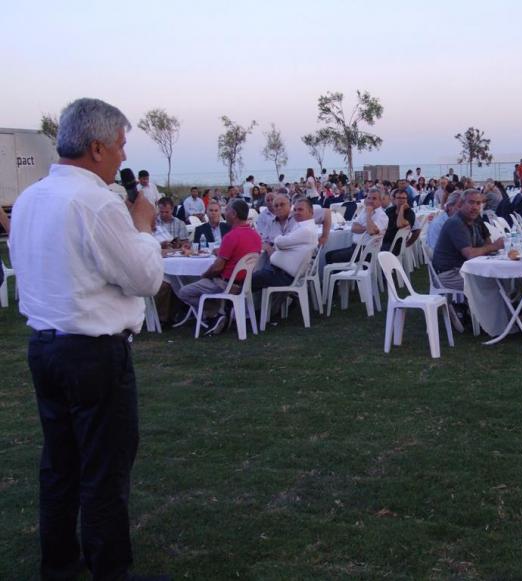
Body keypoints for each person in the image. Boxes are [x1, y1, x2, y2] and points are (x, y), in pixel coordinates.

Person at [10, 98, 168, 580]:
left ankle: (58, 565)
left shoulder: (31, 197)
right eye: (121, 146)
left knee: (59, 465)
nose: (124, 157)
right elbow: (145, 279)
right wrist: (143, 227)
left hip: (45, 347)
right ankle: (110, 571)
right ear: (97, 147)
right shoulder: (97, 202)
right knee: (104, 469)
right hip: (93, 355)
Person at [177, 199, 262, 335]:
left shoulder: (231, 236)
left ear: (233, 214)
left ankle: (215, 314)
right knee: (205, 284)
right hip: (244, 283)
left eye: (226, 210)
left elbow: (217, 268)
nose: (224, 213)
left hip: (225, 284)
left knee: (184, 292)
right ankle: (219, 313)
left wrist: (205, 275)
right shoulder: (255, 236)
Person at [431, 189, 504, 291]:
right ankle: (494, 306)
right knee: (490, 282)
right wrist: (495, 246)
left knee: (499, 277)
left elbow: (484, 246)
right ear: (461, 204)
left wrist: (491, 248)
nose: (475, 207)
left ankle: (507, 304)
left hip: (464, 268)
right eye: (471, 202)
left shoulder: (474, 220)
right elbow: (470, 254)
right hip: (448, 274)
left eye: (478, 203)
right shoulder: (456, 223)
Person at [251, 198, 318, 292]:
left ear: (311, 211)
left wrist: (278, 241)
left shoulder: (305, 230)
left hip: (286, 276)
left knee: (251, 279)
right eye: (295, 210)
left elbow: (279, 242)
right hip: (283, 271)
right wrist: (281, 243)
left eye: (300, 210)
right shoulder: (302, 226)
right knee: (256, 277)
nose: (296, 212)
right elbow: (279, 242)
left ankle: (233, 300)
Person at [324, 188, 388, 264]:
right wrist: (366, 227)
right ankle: (340, 275)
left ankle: (343, 275)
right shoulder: (364, 211)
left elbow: (371, 231)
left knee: (333, 257)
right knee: (328, 254)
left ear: (380, 201)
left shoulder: (382, 216)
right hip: (356, 248)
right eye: (368, 198)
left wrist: (368, 215)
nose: (370, 201)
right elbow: (353, 228)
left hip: (367, 251)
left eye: (374, 198)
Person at [382, 188, 415, 254]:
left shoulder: (409, 213)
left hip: (396, 244)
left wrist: (402, 208)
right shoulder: (389, 210)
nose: (401, 200)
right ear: (394, 199)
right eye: (399, 198)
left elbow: (400, 224)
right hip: (383, 239)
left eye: (404, 198)